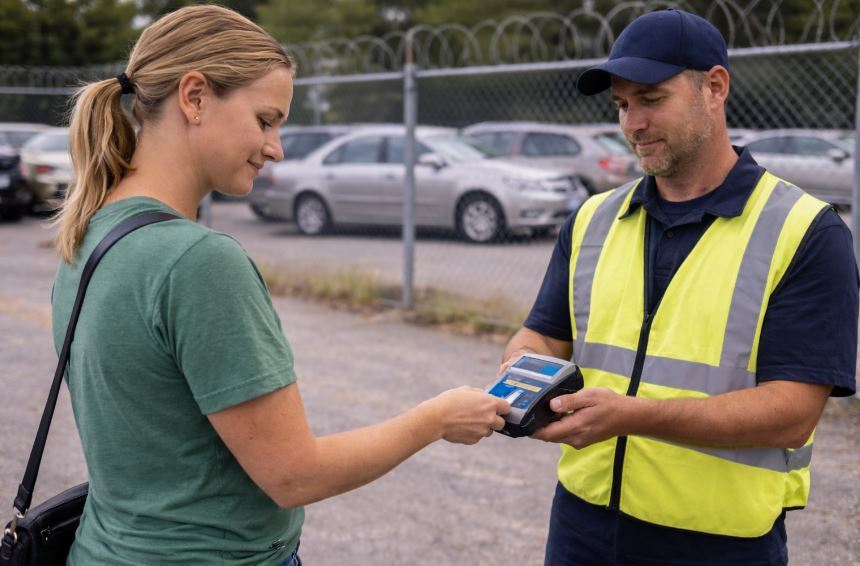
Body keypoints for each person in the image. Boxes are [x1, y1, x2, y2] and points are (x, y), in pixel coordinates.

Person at [52, 5, 509, 565]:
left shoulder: (89, 234)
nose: (277, 147)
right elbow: (294, 476)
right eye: (265, 120)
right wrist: (436, 418)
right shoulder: (197, 261)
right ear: (194, 97)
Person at [499, 9, 858, 566]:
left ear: (714, 88)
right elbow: (542, 337)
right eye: (621, 105)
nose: (632, 123)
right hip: (582, 525)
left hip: (719, 541)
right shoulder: (594, 219)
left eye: (651, 99)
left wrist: (631, 414)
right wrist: (522, 370)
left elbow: (792, 413)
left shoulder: (805, 231)